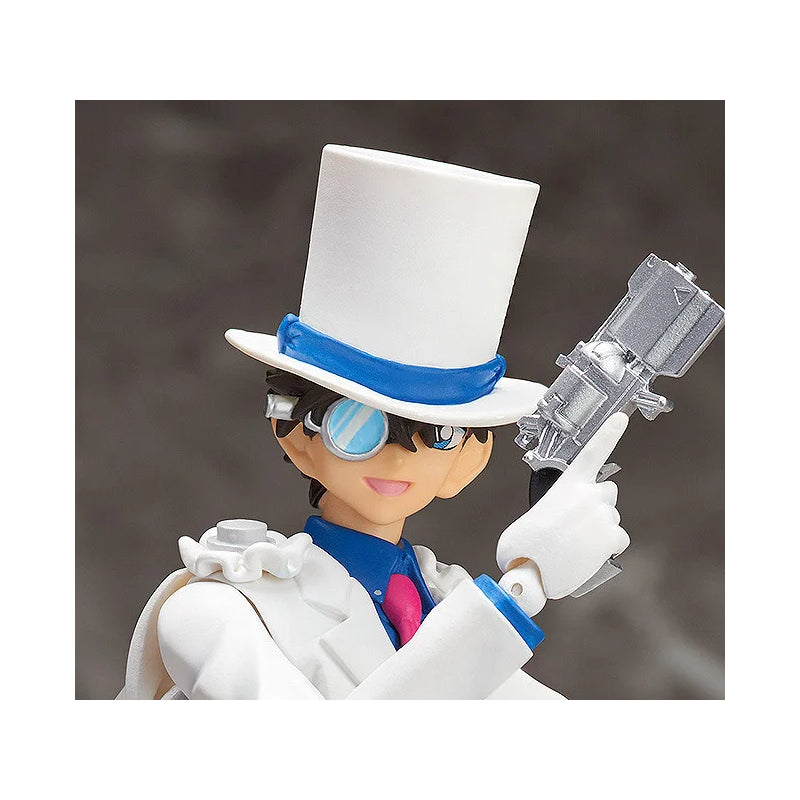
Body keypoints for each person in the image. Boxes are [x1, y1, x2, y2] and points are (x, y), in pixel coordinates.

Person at [117, 145, 628, 700]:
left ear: (468, 461)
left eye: (437, 435)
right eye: (357, 426)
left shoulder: (444, 600)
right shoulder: (219, 608)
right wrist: (524, 589)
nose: (398, 457)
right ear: (295, 434)